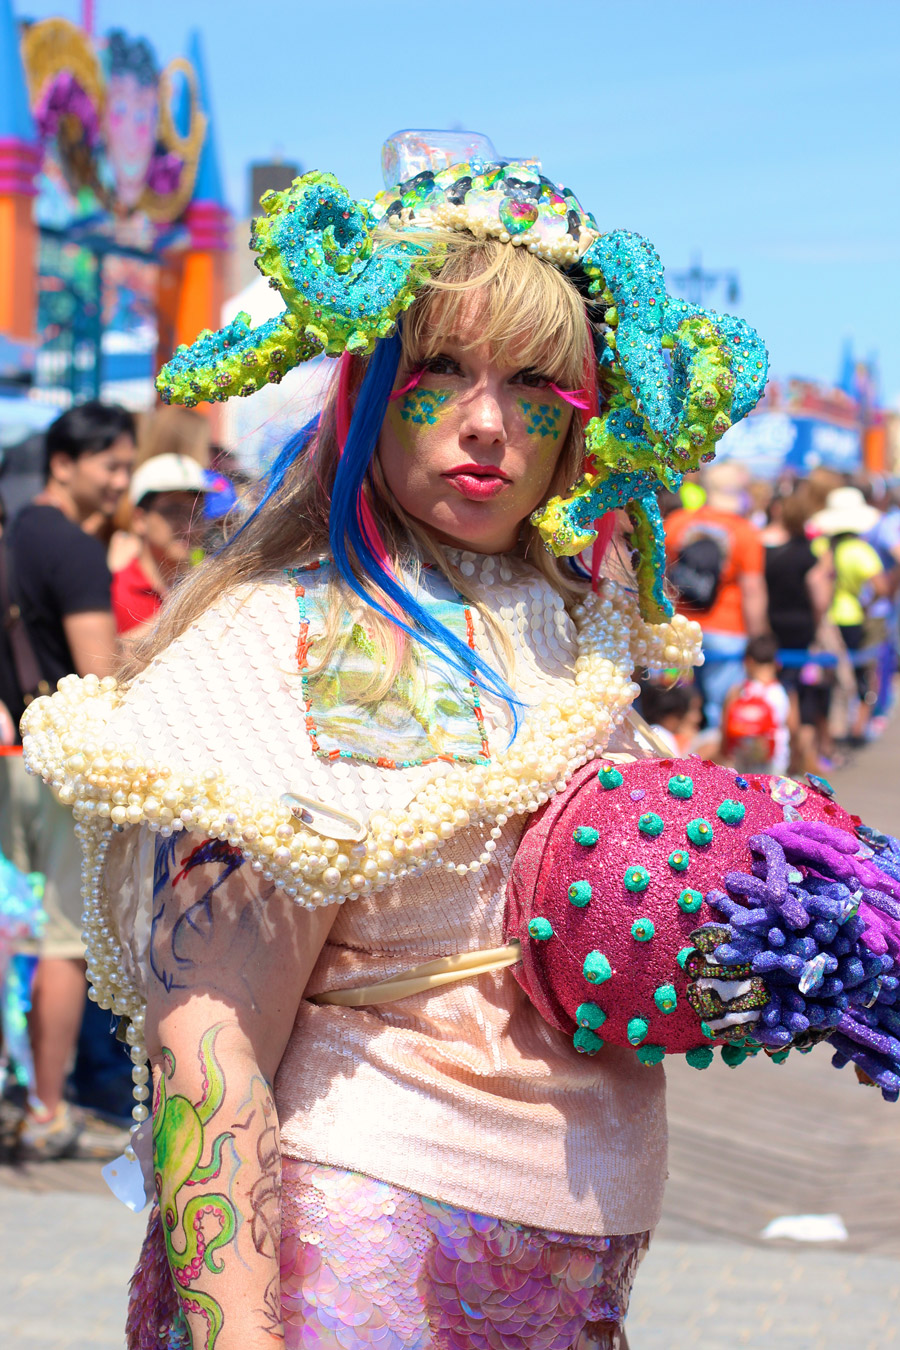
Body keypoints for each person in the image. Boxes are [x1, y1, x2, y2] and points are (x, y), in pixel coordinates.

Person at [21, 134, 767, 1348]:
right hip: (362, 1262)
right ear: (370, 385)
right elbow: (210, 1038)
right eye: (443, 368)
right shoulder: (305, 633)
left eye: (534, 384)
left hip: (564, 1273)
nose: (487, 423)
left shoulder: (572, 622)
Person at [4, 400, 136, 1158]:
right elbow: (99, 674)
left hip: (8, 759)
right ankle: (49, 1107)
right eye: (109, 464)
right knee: (62, 939)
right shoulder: (75, 552)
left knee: (8, 935)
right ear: (64, 462)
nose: (120, 480)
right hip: (55, 766)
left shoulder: (15, 533)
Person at [665, 461, 768, 731]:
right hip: (728, 630)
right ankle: (714, 771)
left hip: (680, 627)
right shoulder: (746, 532)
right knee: (719, 709)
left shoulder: (678, 523)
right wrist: (757, 636)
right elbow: (753, 591)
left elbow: (659, 576)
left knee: (675, 706)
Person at [764, 486, 834, 774]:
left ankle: (784, 751)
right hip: (800, 629)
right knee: (797, 691)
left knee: (773, 685)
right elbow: (820, 599)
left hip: (768, 627)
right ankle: (799, 755)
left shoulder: (761, 548)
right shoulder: (807, 554)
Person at [811, 486, 888, 746]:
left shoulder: (822, 546)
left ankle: (831, 731)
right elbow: (881, 587)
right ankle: (855, 731)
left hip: (825, 619)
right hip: (852, 617)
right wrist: (867, 603)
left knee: (830, 677)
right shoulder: (859, 550)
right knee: (860, 675)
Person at [111, 453, 207, 639]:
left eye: (197, 513)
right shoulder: (113, 591)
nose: (189, 525)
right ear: (139, 519)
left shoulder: (202, 586)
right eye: (173, 511)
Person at [720, 633, 790, 775]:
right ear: (776, 663)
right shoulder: (783, 692)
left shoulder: (738, 691)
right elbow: (793, 727)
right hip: (775, 761)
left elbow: (725, 726)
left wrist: (724, 752)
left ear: (748, 661)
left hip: (741, 760)